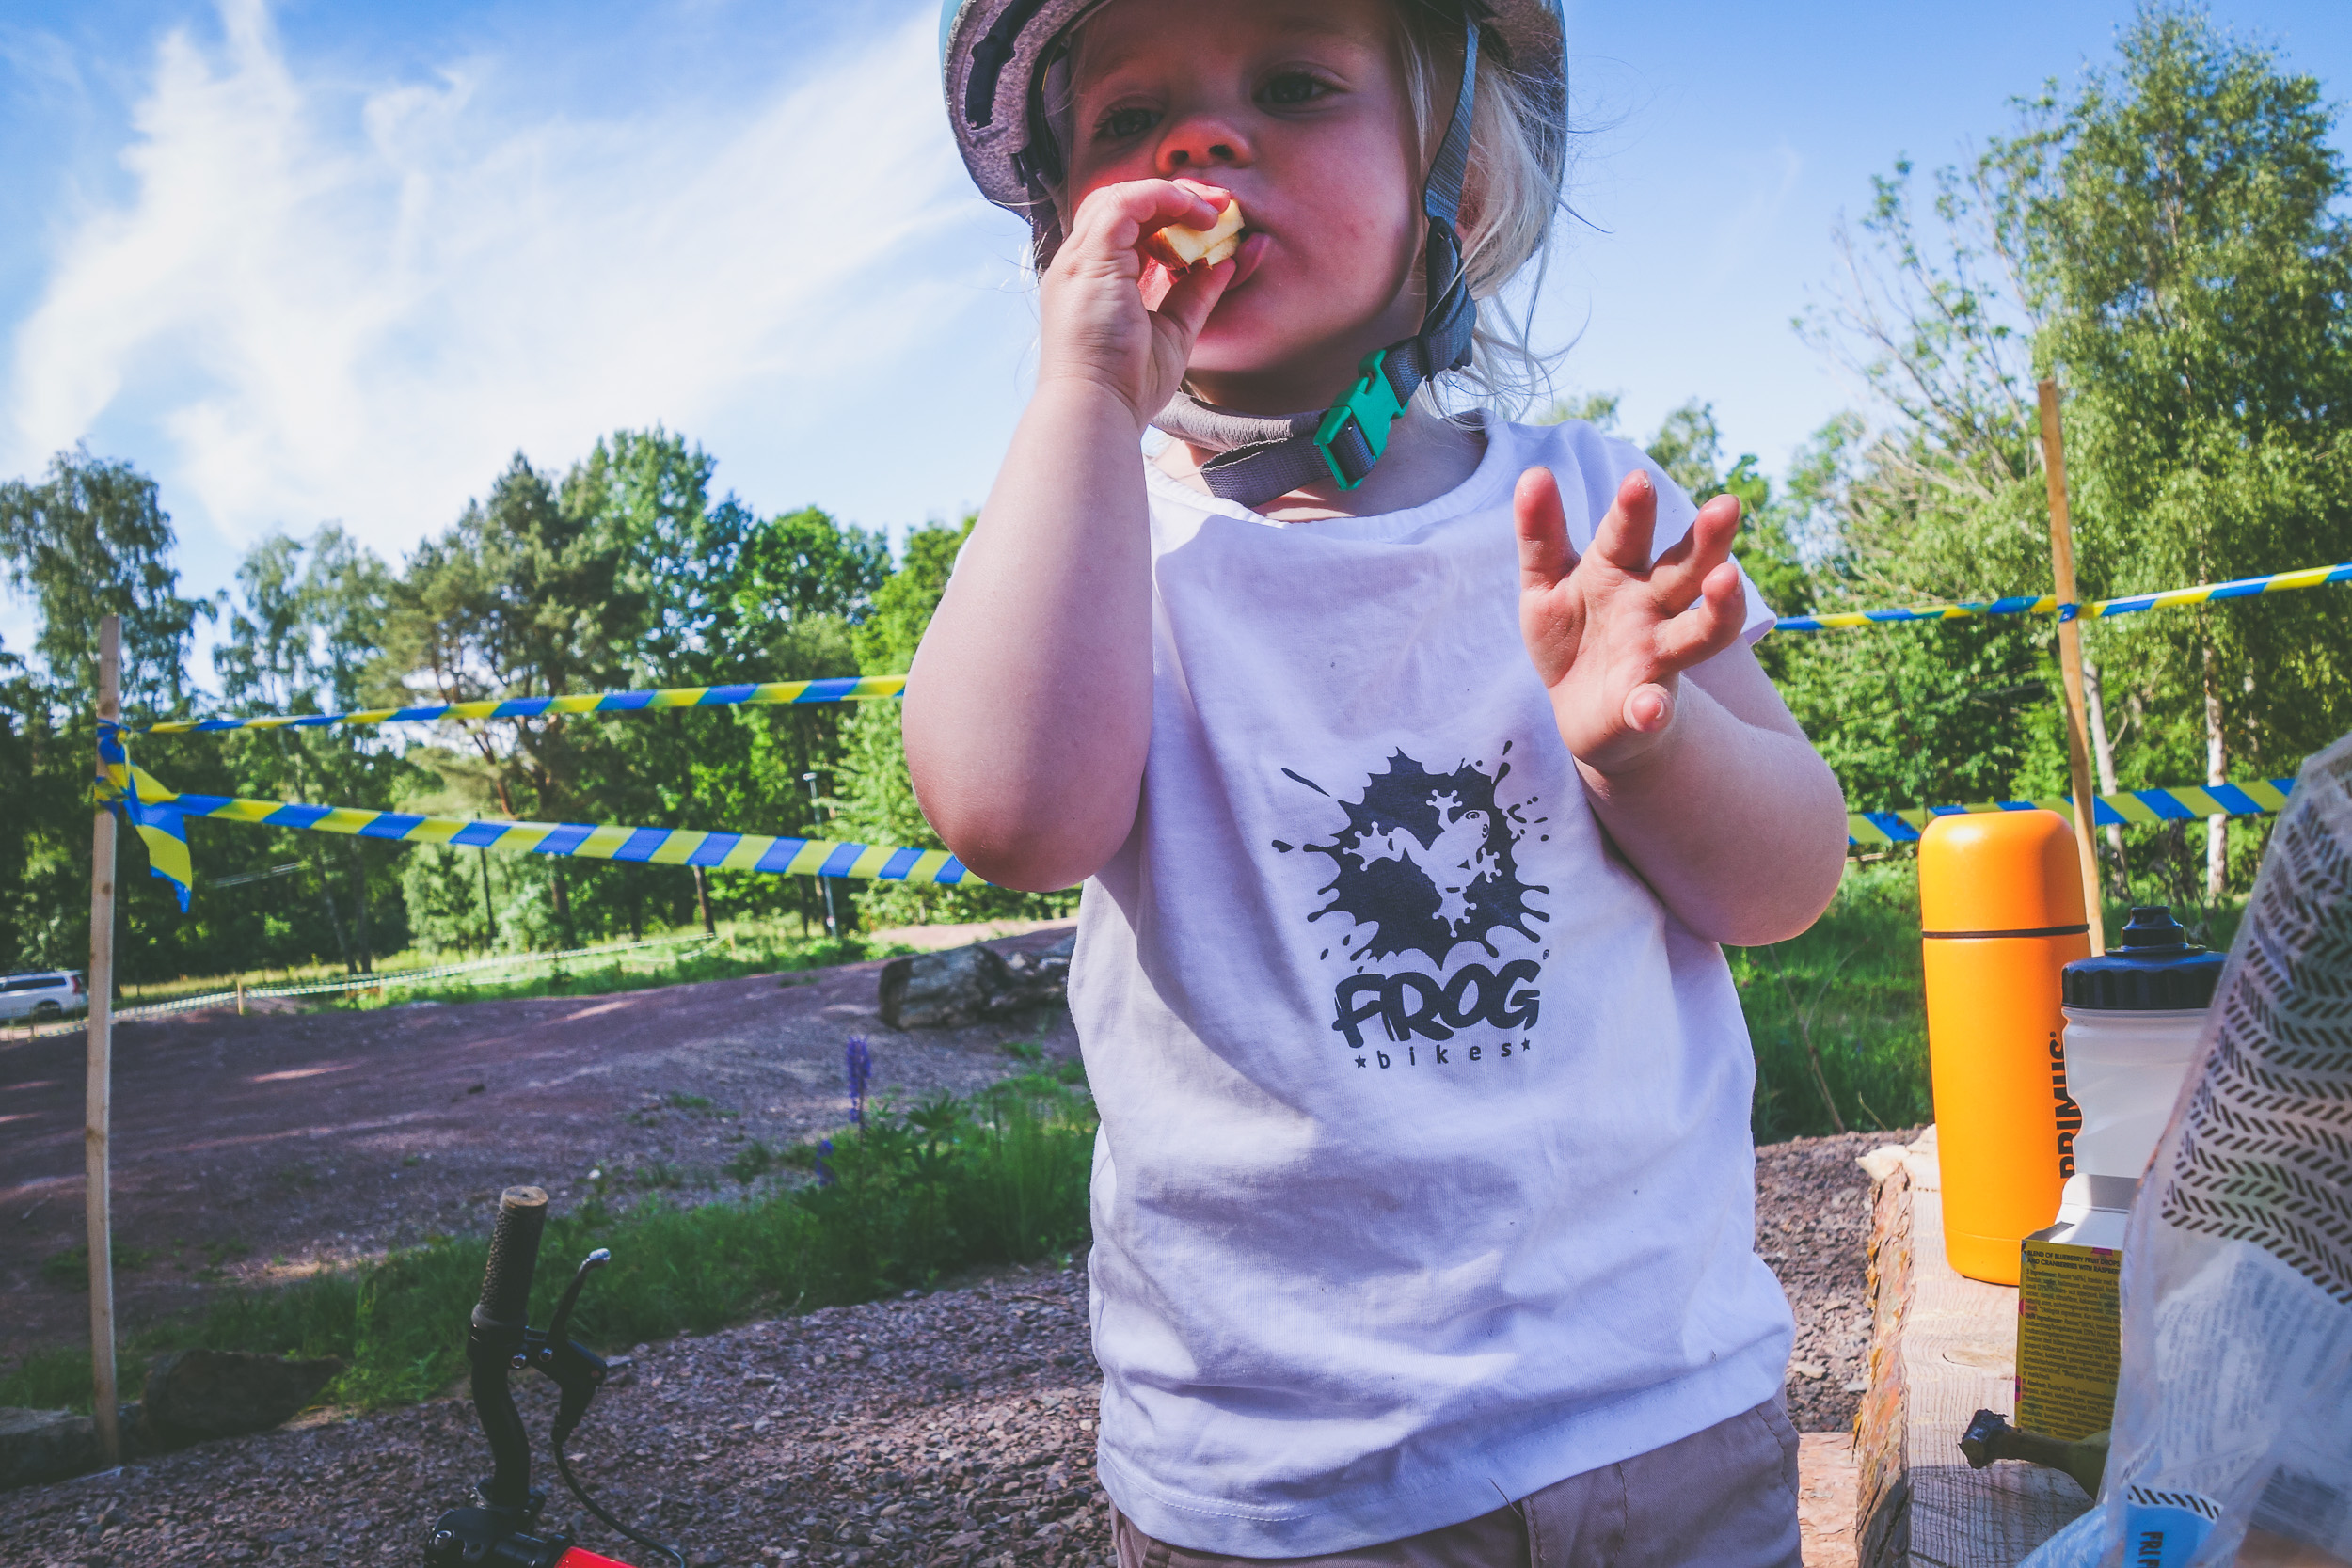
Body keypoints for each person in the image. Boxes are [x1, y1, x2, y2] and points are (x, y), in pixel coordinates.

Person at [913, 1, 1851, 1562]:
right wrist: (1082, 400)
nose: (1200, 143)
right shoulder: (1086, 544)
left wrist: (1646, 745)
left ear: (1455, 181)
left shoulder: (1592, 503)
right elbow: (1013, 817)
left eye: (1295, 84)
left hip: (1657, 1406)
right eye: (1128, 122)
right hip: (1291, 1479)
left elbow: (1789, 880)